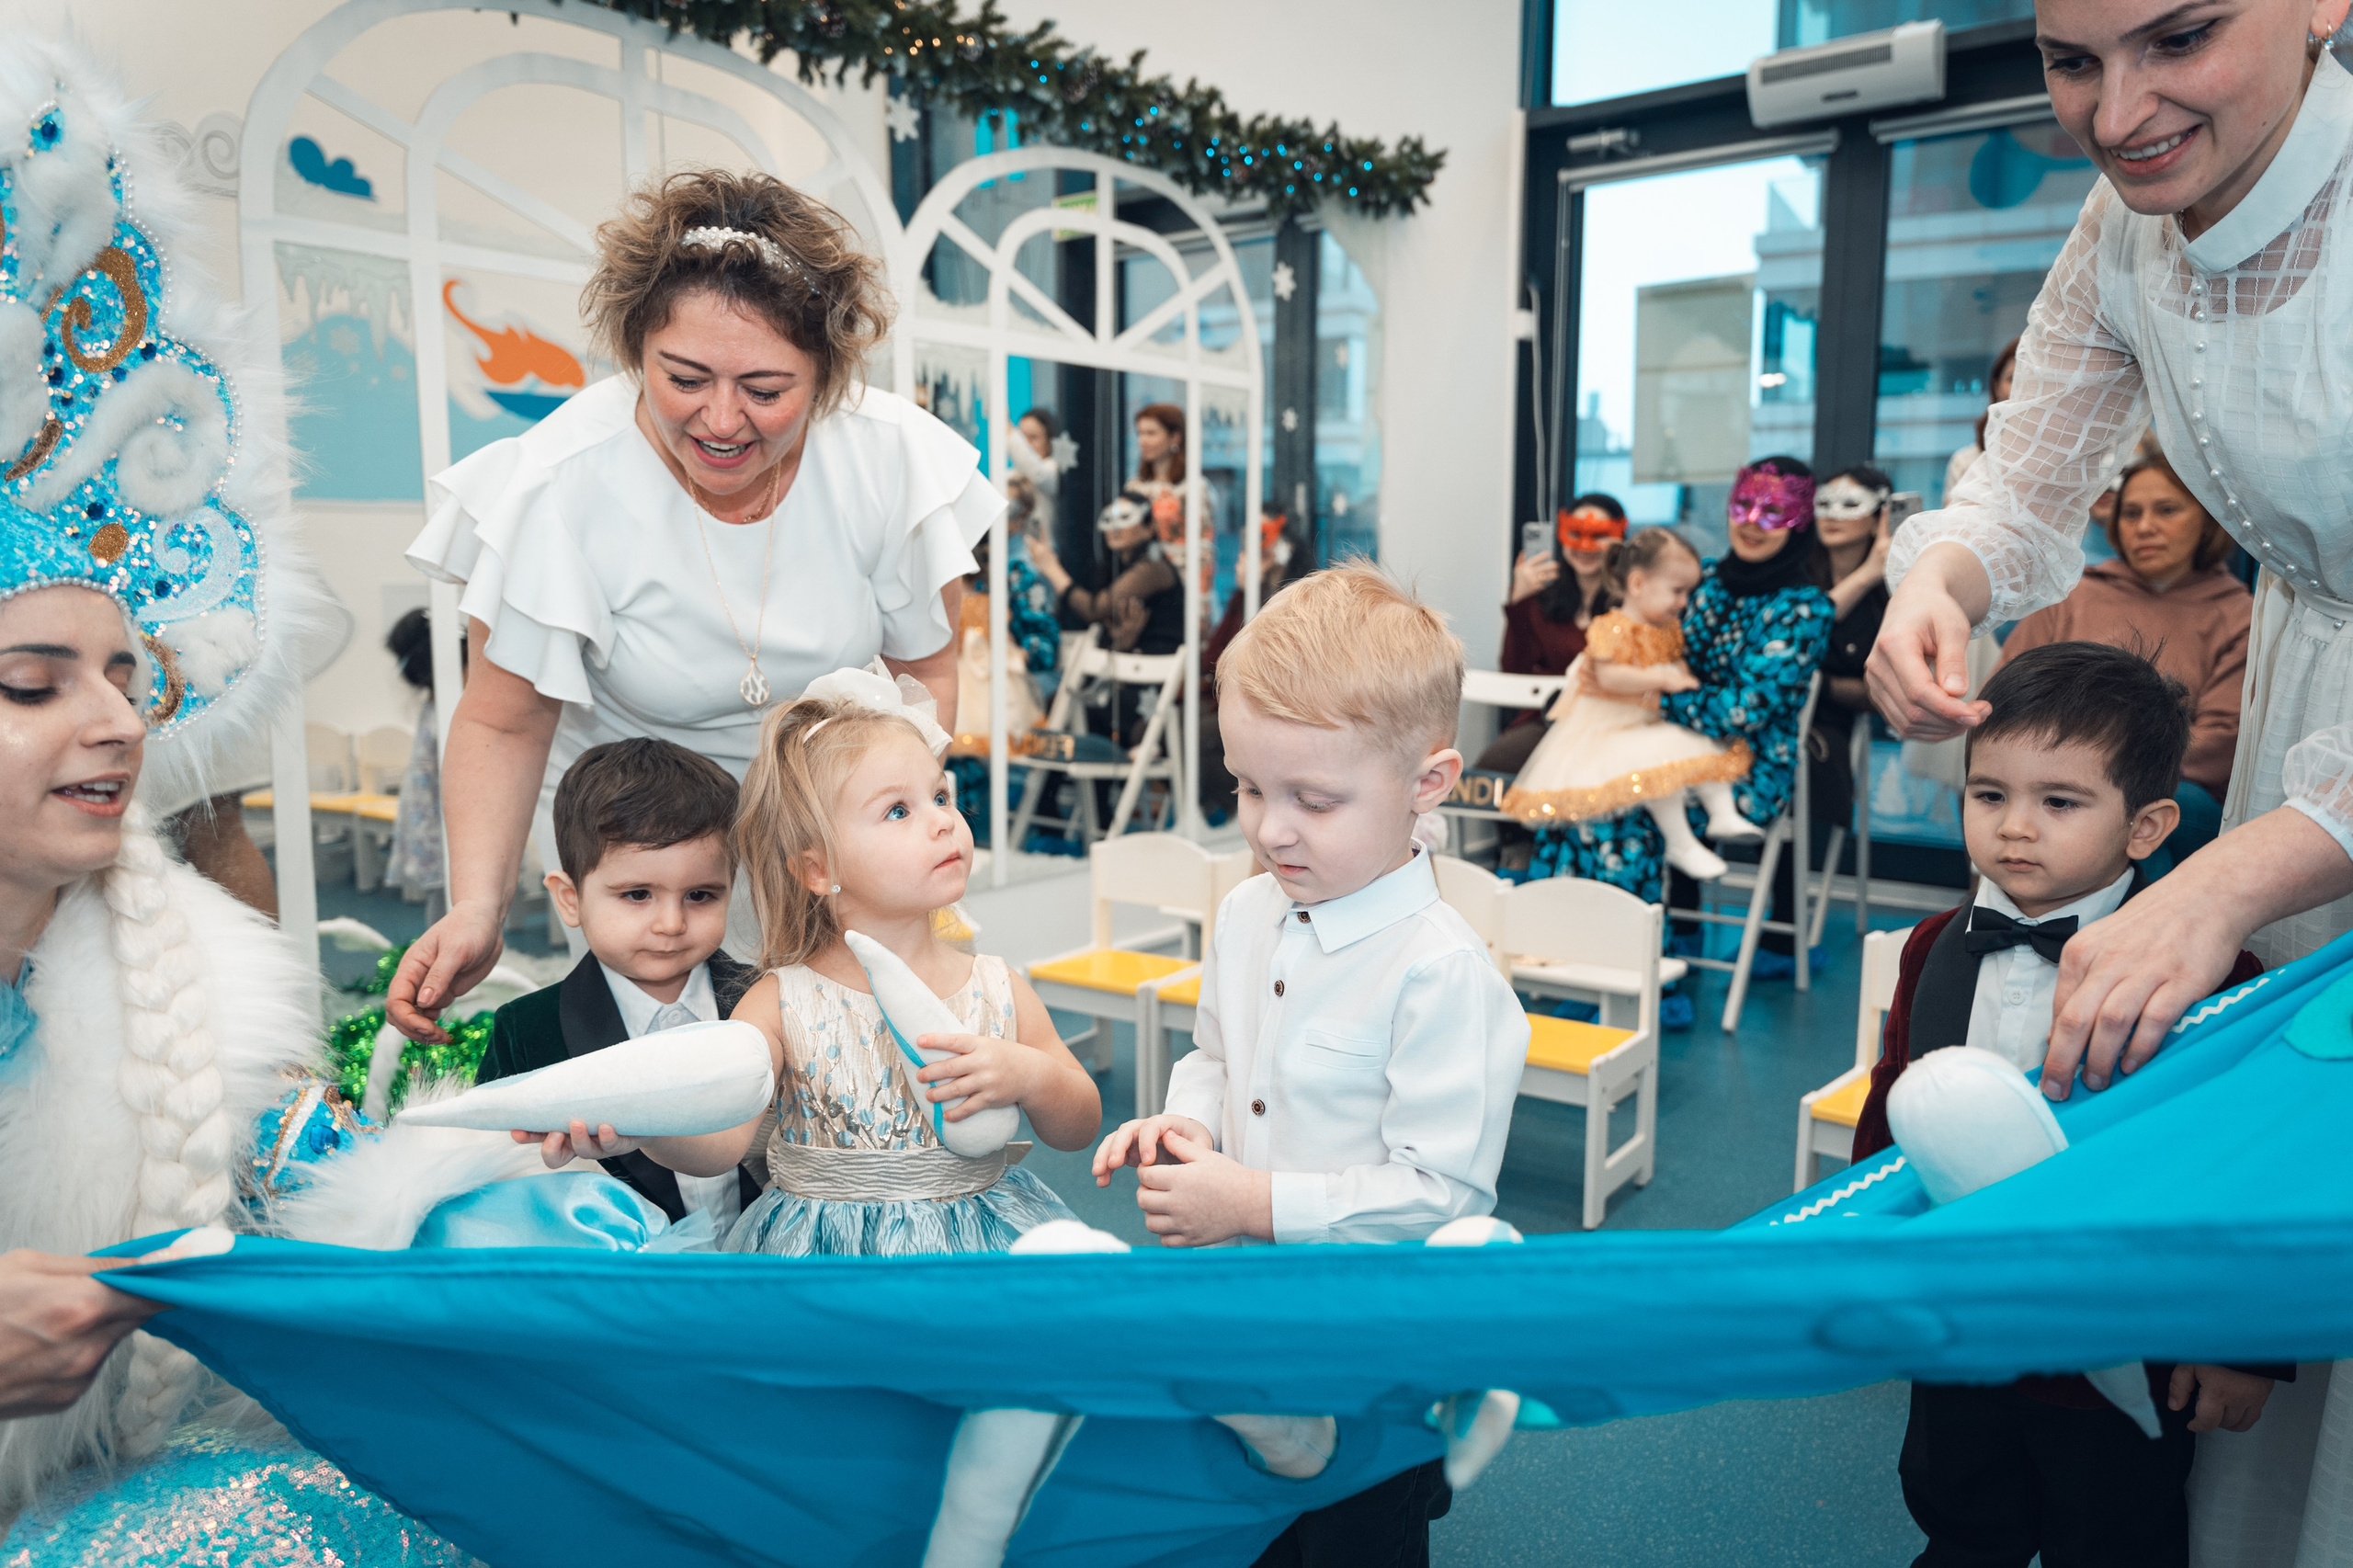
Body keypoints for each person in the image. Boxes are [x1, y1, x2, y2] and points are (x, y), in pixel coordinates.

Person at [392, 167, 998, 1039]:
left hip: (820, 831)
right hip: (650, 852)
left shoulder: (886, 460)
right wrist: (475, 906)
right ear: (636, 350)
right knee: (673, 1100)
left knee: (851, 1055)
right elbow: (504, 722)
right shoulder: (561, 485)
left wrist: (889, 833)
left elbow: (924, 666)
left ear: (824, 377)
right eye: (684, 379)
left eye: (765, 390)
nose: (721, 421)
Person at [1091, 565, 1529, 1568]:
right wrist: (1189, 1122)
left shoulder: (1439, 972)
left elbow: (1438, 1191)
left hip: (1368, 1346)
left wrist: (1250, 1201)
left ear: (1427, 781)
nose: (1269, 826)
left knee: (1354, 1541)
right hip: (1240, 1313)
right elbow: (1214, 1051)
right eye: (1248, 786)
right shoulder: (1248, 909)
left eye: (1314, 798)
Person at [1847, 643, 2280, 1568]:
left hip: (2122, 1334)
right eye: (1989, 793)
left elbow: (2248, 1166)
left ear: (2144, 825)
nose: (2014, 828)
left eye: (2059, 801)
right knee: (1955, 1504)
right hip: (1962, 1319)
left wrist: (2242, 1342)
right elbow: (1895, 1109)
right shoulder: (1931, 945)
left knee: (2114, 1530)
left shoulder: (2215, 977)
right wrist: (1870, 1260)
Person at [528, 667, 1099, 1256]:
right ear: (818, 869)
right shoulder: (777, 1001)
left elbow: (1079, 1126)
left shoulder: (997, 987)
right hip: (823, 1256)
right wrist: (644, 1130)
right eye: (897, 811)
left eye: (940, 796)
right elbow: (723, 1143)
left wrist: (1030, 1076)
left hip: (976, 1246)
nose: (943, 820)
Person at [472, 739, 764, 1231]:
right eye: (637, 894)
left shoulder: (766, 1001)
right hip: (620, 1281)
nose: (671, 923)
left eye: (699, 895)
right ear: (570, 899)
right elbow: (495, 1172)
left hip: (765, 1264)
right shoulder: (527, 1030)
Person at [1529, 458, 1833, 926]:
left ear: (1799, 521)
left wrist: (1645, 696)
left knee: (1618, 806)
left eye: (1773, 510)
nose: (1753, 523)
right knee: (1576, 795)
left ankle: (1644, 971)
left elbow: (1742, 712)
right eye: (1745, 505)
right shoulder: (1700, 581)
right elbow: (1637, 646)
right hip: (1648, 737)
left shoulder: (1804, 608)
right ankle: (1570, 954)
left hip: (1742, 763)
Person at [1996, 452, 2251, 873]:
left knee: (2154, 821)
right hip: (2049, 781)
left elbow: (2223, 740)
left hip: (2171, 790)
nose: (2145, 527)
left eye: (2167, 510)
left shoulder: (2239, 615)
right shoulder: (2071, 597)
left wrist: (2108, 771)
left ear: (2208, 518)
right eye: (2130, 513)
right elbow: (2007, 698)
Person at [1502, 528, 1763, 880]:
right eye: (1678, 591)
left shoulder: (1668, 629)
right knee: (1654, 773)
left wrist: (1679, 675)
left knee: (1698, 750)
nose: (1684, 603)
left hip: (1648, 721)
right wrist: (1663, 680)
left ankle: (1722, 812)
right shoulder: (1611, 628)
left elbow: (1676, 662)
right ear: (1638, 584)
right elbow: (1609, 679)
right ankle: (1681, 842)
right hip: (1609, 729)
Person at [1474, 494, 1624, 778]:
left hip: (1604, 721)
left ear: (1618, 540)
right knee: (1493, 773)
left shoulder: (1630, 605)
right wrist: (1519, 599)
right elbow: (1514, 671)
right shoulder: (1543, 603)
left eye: (1599, 536)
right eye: (1576, 533)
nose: (1585, 546)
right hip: (1544, 720)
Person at [1200, 506, 1302, 816]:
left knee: (1200, 732)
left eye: (1265, 538)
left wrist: (1254, 589)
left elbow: (1269, 658)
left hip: (1275, 704)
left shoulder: (1296, 597)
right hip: (1233, 696)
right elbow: (1216, 655)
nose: (1258, 548)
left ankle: (1228, 808)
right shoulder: (1247, 594)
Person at [1029, 494, 1185, 657]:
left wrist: (1052, 569)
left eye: (1125, 518)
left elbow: (1094, 609)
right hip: (1135, 663)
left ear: (1149, 527)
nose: (1115, 528)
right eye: (1109, 519)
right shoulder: (1120, 566)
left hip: (1156, 665)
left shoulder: (1152, 567)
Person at [382, 607, 457, 908]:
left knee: (451, 898)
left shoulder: (452, 707)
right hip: (430, 819)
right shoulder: (435, 706)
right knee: (441, 898)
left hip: (445, 820)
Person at [1942, 335, 2019, 497]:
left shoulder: (2064, 457)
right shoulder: (1964, 462)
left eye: (2027, 379)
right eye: (2012, 378)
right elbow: (1951, 520)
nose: (2019, 388)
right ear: (1996, 386)